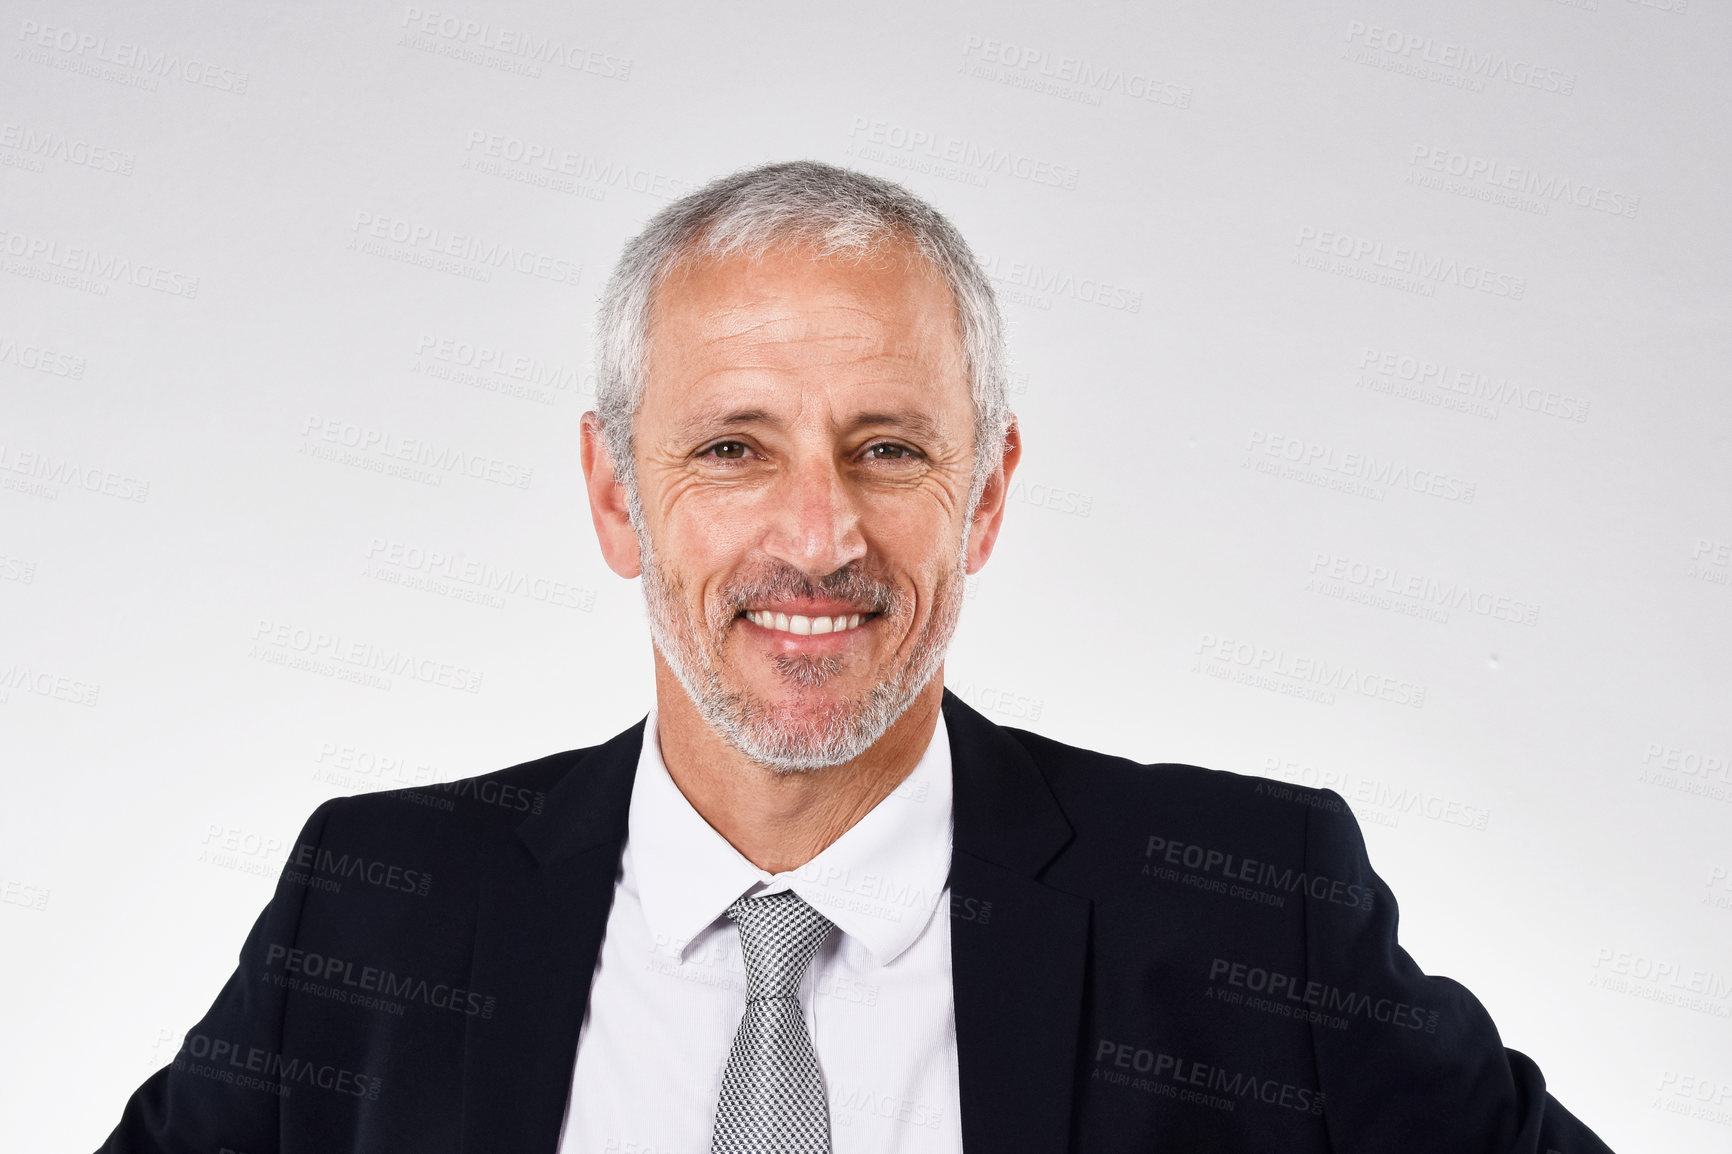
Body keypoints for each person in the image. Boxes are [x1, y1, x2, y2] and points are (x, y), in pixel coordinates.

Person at [97, 161, 1615, 1153]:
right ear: (618, 493)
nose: (817, 534)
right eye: (733, 447)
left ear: (989, 492)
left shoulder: (1248, 916)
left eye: (887, 447)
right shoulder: (381, 907)